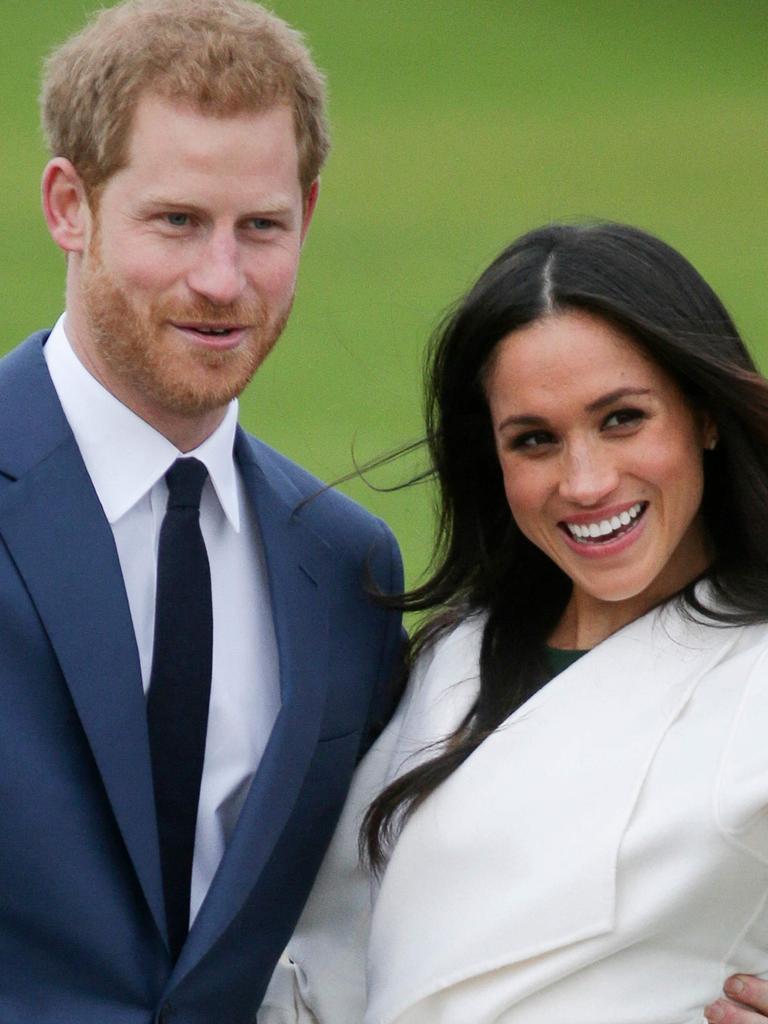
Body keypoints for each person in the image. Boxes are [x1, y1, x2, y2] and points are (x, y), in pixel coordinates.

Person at [0, 0, 403, 1020]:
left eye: (260, 227)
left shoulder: (350, 569)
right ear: (69, 204)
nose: (221, 281)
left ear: (307, 215)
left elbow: (388, 899)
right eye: (176, 220)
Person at [259, 222, 768, 1024]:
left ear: (704, 415)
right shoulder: (450, 658)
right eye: (534, 440)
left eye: (623, 419)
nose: (587, 480)